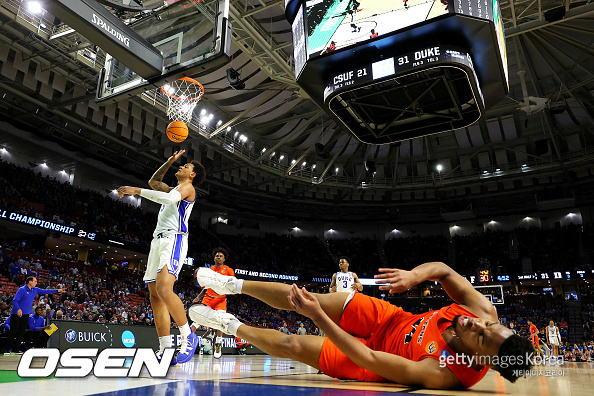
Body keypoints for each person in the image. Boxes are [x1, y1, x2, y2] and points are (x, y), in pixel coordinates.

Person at [189, 261, 535, 389]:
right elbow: (443, 270)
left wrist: (319, 320)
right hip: (391, 319)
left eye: (481, 335)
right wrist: (414, 277)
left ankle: (226, 323)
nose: (477, 324)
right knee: (309, 297)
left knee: (293, 345)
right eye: (489, 325)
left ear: (480, 359)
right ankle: (230, 285)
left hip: (371, 358)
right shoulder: (483, 309)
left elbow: (369, 360)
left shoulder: (447, 375)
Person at [117, 149, 206, 364]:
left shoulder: (187, 188)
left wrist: (136, 191)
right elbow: (154, 181)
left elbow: (166, 199)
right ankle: (165, 348)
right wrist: (168, 161)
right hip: (157, 240)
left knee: (164, 289)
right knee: (154, 294)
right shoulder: (176, 187)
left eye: (186, 166)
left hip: (173, 239)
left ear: (192, 175)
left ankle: (188, 336)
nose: (182, 167)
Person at [194, 247, 234, 359]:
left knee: (221, 321)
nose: (218, 257)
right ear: (214, 258)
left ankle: (218, 344)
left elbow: (233, 285)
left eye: (221, 256)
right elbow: (206, 287)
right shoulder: (210, 270)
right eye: (217, 255)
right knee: (196, 320)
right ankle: (186, 341)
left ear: (224, 259)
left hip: (220, 299)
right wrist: (198, 297)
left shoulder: (228, 270)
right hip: (208, 298)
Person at [8, 276, 64, 353]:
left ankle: (15, 348)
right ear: (30, 282)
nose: (36, 283)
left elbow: (46, 291)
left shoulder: (35, 290)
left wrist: (57, 290)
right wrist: (18, 309)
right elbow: (15, 301)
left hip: (26, 314)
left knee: (21, 332)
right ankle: (6, 348)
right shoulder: (22, 290)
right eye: (35, 281)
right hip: (17, 313)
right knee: (13, 331)